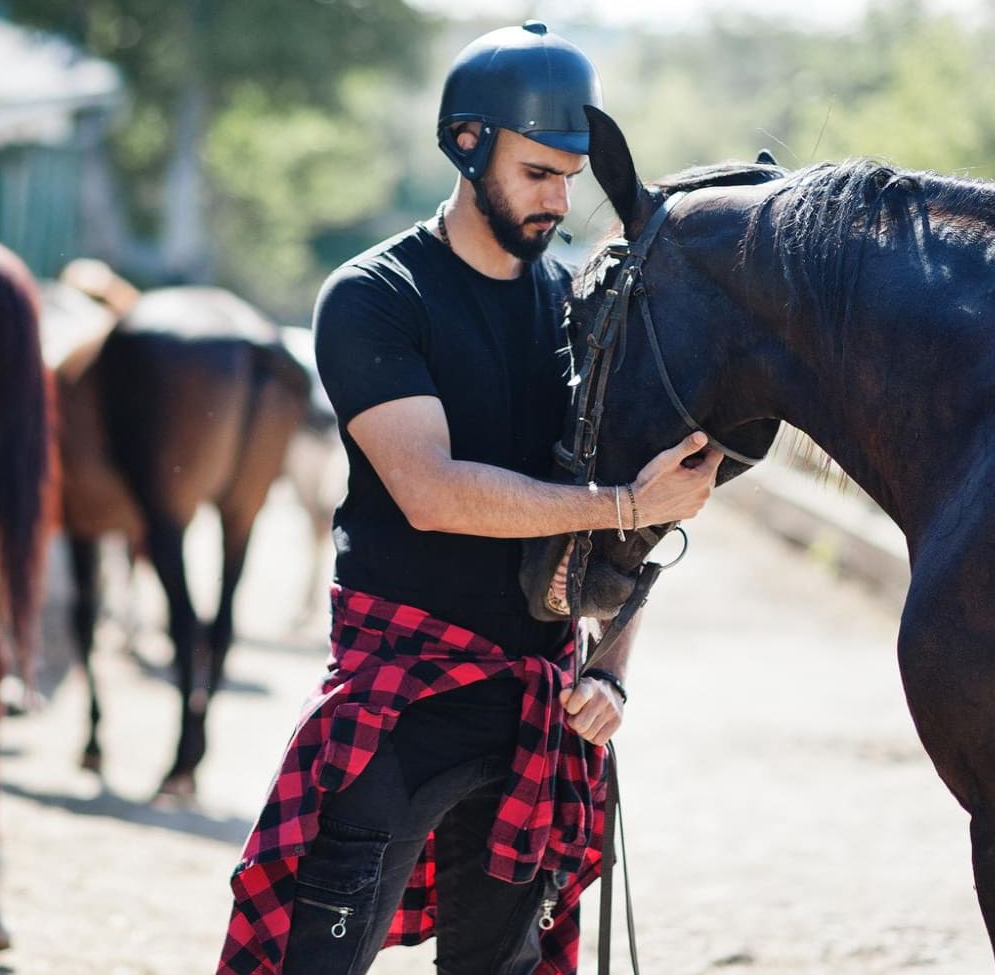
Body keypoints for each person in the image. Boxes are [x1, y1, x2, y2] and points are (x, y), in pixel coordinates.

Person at [218, 21, 722, 975]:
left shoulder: (581, 310)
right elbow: (432, 492)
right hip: (404, 700)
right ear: (467, 143)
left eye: (571, 176)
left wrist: (611, 667)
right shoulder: (376, 295)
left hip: (540, 703)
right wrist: (620, 500)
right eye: (538, 172)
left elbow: (634, 537)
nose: (559, 199)